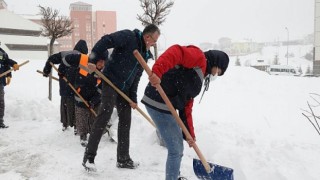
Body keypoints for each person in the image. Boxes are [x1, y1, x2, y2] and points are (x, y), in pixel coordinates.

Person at [141, 45, 229, 180]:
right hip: (158, 100)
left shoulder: (200, 75)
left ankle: (174, 176)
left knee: (176, 147)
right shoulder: (199, 58)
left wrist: (189, 134)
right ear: (216, 63)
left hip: (164, 105)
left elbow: (186, 104)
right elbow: (176, 51)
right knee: (176, 149)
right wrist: (157, 71)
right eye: (218, 71)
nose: (216, 75)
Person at [82, 24, 161, 171]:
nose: (154, 43)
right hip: (110, 81)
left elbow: (135, 78)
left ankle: (123, 159)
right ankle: (89, 157)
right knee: (104, 115)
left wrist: (133, 99)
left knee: (126, 120)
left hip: (125, 90)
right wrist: (92, 59)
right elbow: (106, 40)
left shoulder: (144, 55)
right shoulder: (129, 37)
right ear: (147, 36)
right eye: (154, 40)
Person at [43, 40, 88, 133]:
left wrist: (46, 71)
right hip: (76, 85)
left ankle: (65, 124)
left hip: (64, 83)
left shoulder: (65, 53)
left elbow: (51, 59)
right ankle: (76, 126)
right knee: (77, 105)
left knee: (64, 102)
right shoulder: (83, 58)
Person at [74, 54, 105, 147]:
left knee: (94, 118)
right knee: (81, 117)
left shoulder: (103, 74)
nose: (101, 64)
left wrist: (93, 101)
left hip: (94, 99)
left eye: (103, 62)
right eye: (99, 61)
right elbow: (76, 80)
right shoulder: (86, 68)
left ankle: (93, 134)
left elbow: (100, 90)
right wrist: (78, 89)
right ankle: (83, 136)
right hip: (81, 96)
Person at [0, 42, 19, 128]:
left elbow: (6, 63)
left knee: (0, 102)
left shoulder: (2, 53)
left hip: (0, 82)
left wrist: (8, 75)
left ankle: (0, 121)